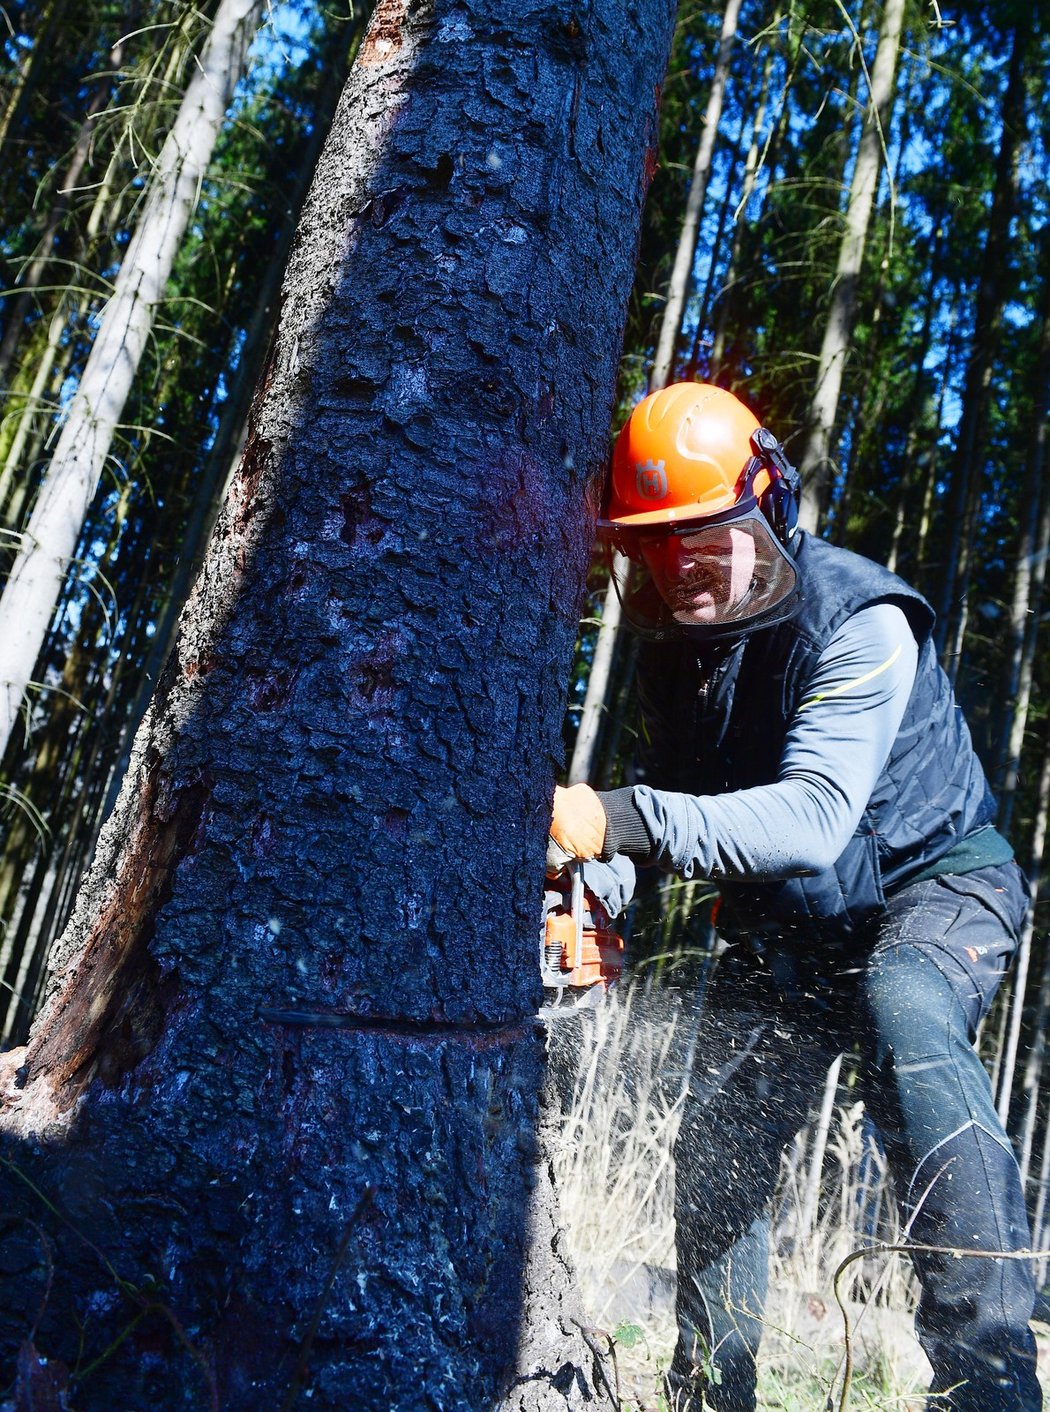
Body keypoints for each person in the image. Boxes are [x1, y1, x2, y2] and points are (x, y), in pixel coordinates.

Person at [547, 382, 1042, 1412]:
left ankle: (991, 1373)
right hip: (795, 922)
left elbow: (813, 814)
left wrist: (624, 815)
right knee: (722, 1117)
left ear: (766, 506)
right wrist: (600, 884)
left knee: (906, 1003)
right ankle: (709, 1387)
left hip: (934, 882)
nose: (681, 565)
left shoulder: (861, 619)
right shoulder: (672, 658)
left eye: (705, 535)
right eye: (656, 544)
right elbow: (665, 807)